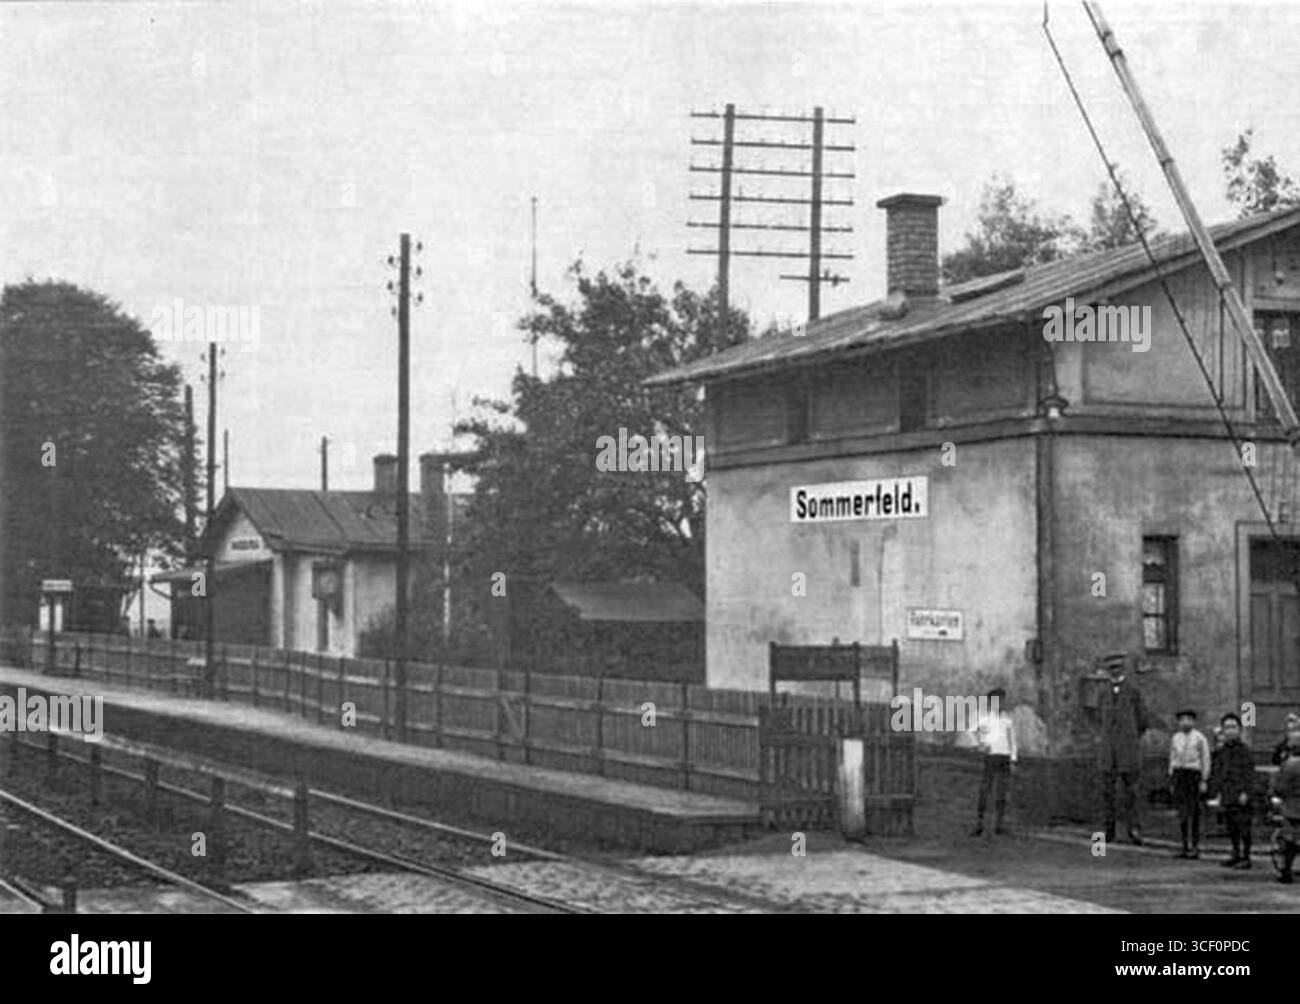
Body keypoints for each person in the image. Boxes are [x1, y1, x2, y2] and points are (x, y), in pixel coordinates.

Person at [1095, 652, 1150, 844]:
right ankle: (1107, 831)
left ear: (1123, 669)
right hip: (1108, 752)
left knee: (1131, 793)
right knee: (1107, 793)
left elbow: (1143, 720)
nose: (1114, 672)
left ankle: (1134, 829)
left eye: (1117, 668)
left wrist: (1131, 737)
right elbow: (1097, 718)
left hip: (1128, 750)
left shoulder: (1133, 691)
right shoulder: (1103, 693)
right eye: (1111, 669)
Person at [1208, 712, 1256, 869]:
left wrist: (1246, 793)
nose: (1230, 731)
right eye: (1227, 727)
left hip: (1241, 794)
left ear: (1239, 730)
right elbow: (1218, 771)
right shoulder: (1222, 752)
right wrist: (1218, 792)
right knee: (1231, 827)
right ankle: (1235, 854)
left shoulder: (1245, 751)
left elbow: (1249, 774)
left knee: (1243, 826)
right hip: (1228, 793)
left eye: (1233, 727)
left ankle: (1246, 856)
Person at [969, 687, 1016, 837]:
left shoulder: (1007, 719)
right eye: (997, 700)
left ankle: (999, 824)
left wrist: (1013, 758)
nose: (1000, 704)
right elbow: (971, 731)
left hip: (1004, 757)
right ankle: (980, 823)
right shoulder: (985, 718)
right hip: (991, 756)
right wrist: (980, 745)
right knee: (985, 791)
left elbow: (1012, 740)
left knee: (1002, 792)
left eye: (1002, 700)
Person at [1167, 709, 1210, 859]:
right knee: (1183, 812)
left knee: (1195, 812)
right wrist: (1172, 778)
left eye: (1188, 719)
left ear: (1194, 722)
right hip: (1180, 774)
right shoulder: (1175, 738)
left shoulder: (1200, 738)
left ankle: (1195, 846)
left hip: (1194, 775)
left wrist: (1204, 779)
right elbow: (1172, 758)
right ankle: (1184, 845)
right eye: (1182, 720)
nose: (1185, 722)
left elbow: (1205, 758)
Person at [1269, 721, 1300, 884]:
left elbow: (1279, 788)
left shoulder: (1289, 765)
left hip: (1291, 808)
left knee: (1290, 840)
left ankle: (1286, 871)